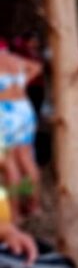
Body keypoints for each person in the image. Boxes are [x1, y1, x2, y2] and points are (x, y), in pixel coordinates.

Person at [0, 42, 42, 218]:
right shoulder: (15, 59)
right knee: (26, 159)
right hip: (24, 109)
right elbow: (37, 66)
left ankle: (15, 211)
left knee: (9, 164)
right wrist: (23, 80)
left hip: (5, 112)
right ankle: (34, 205)